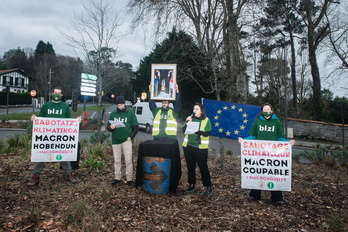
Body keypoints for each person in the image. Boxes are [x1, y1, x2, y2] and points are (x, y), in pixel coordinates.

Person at [238, 103, 295, 205]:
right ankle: (254, 194)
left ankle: (277, 197)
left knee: (274, 173)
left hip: (273, 154)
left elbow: (280, 138)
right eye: (264, 109)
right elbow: (253, 136)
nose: (267, 111)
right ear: (262, 111)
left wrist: (288, 143)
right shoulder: (257, 121)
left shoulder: (276, 122)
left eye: (268, 109)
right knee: (258, 172)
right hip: (260, 153)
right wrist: (244, 140)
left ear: (272, 110)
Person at [28, 87, 81, 186]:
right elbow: (40, 120)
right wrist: (34, 118)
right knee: (41, 155)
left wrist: (76, 121)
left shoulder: (65, 107)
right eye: (55, 92)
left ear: (61, 95)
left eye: (59, 93)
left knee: (65, 154)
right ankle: (35, 176)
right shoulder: (46, 106)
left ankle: (69, 173)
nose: (57, 94)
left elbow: (68, 122)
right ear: (52, 94)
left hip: (60, 136)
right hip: (47, 136)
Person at [107, 96, 139, 187]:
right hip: (116, 140)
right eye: (118, 105)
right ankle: (117, 177)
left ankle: (129, 179)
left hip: (126, 140)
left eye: (121, 105)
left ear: (124, 104)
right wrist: (111, 128)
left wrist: (131, 137)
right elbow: (108, 127)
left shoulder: (130, 113)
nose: (119, 107)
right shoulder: (113, 114)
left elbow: (136, 127)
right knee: (117, 160)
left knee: (128, 160)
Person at [182, 102, 213, 196]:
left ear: (201, 111)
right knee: (190, 166)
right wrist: (187, 122)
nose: (194, 111)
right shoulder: (190, 118)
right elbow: (183, 130)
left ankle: (208, 187)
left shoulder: (206, 120)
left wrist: (200, 132)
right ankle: (192, 184)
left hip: (200, 148)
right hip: (188, 146)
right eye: (194, 109)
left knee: (203, 167)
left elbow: (208, 132)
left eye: (197, 109)